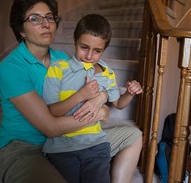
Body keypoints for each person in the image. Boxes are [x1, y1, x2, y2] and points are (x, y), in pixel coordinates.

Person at [0, 0, 142, 183]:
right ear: (21, 30)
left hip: (70, 138)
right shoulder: (11, 68)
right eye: (35, 19)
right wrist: (99, 113)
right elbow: (51, 128)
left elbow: (100, 96)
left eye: (49, 17)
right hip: (25, 148)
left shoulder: (63, 60)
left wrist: (103, 97)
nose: (46, 23)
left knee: (133, 135)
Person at [42, 14, 143, 183]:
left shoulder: (107, 72)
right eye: (84, 47)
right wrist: (81, 95)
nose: (89, 56)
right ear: (74, 42)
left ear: (104, 50)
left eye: (97, 51)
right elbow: (52, 111)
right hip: (62, 147)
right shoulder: (58, 68)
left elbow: (118, 104)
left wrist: (129, 94)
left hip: (96, 146)